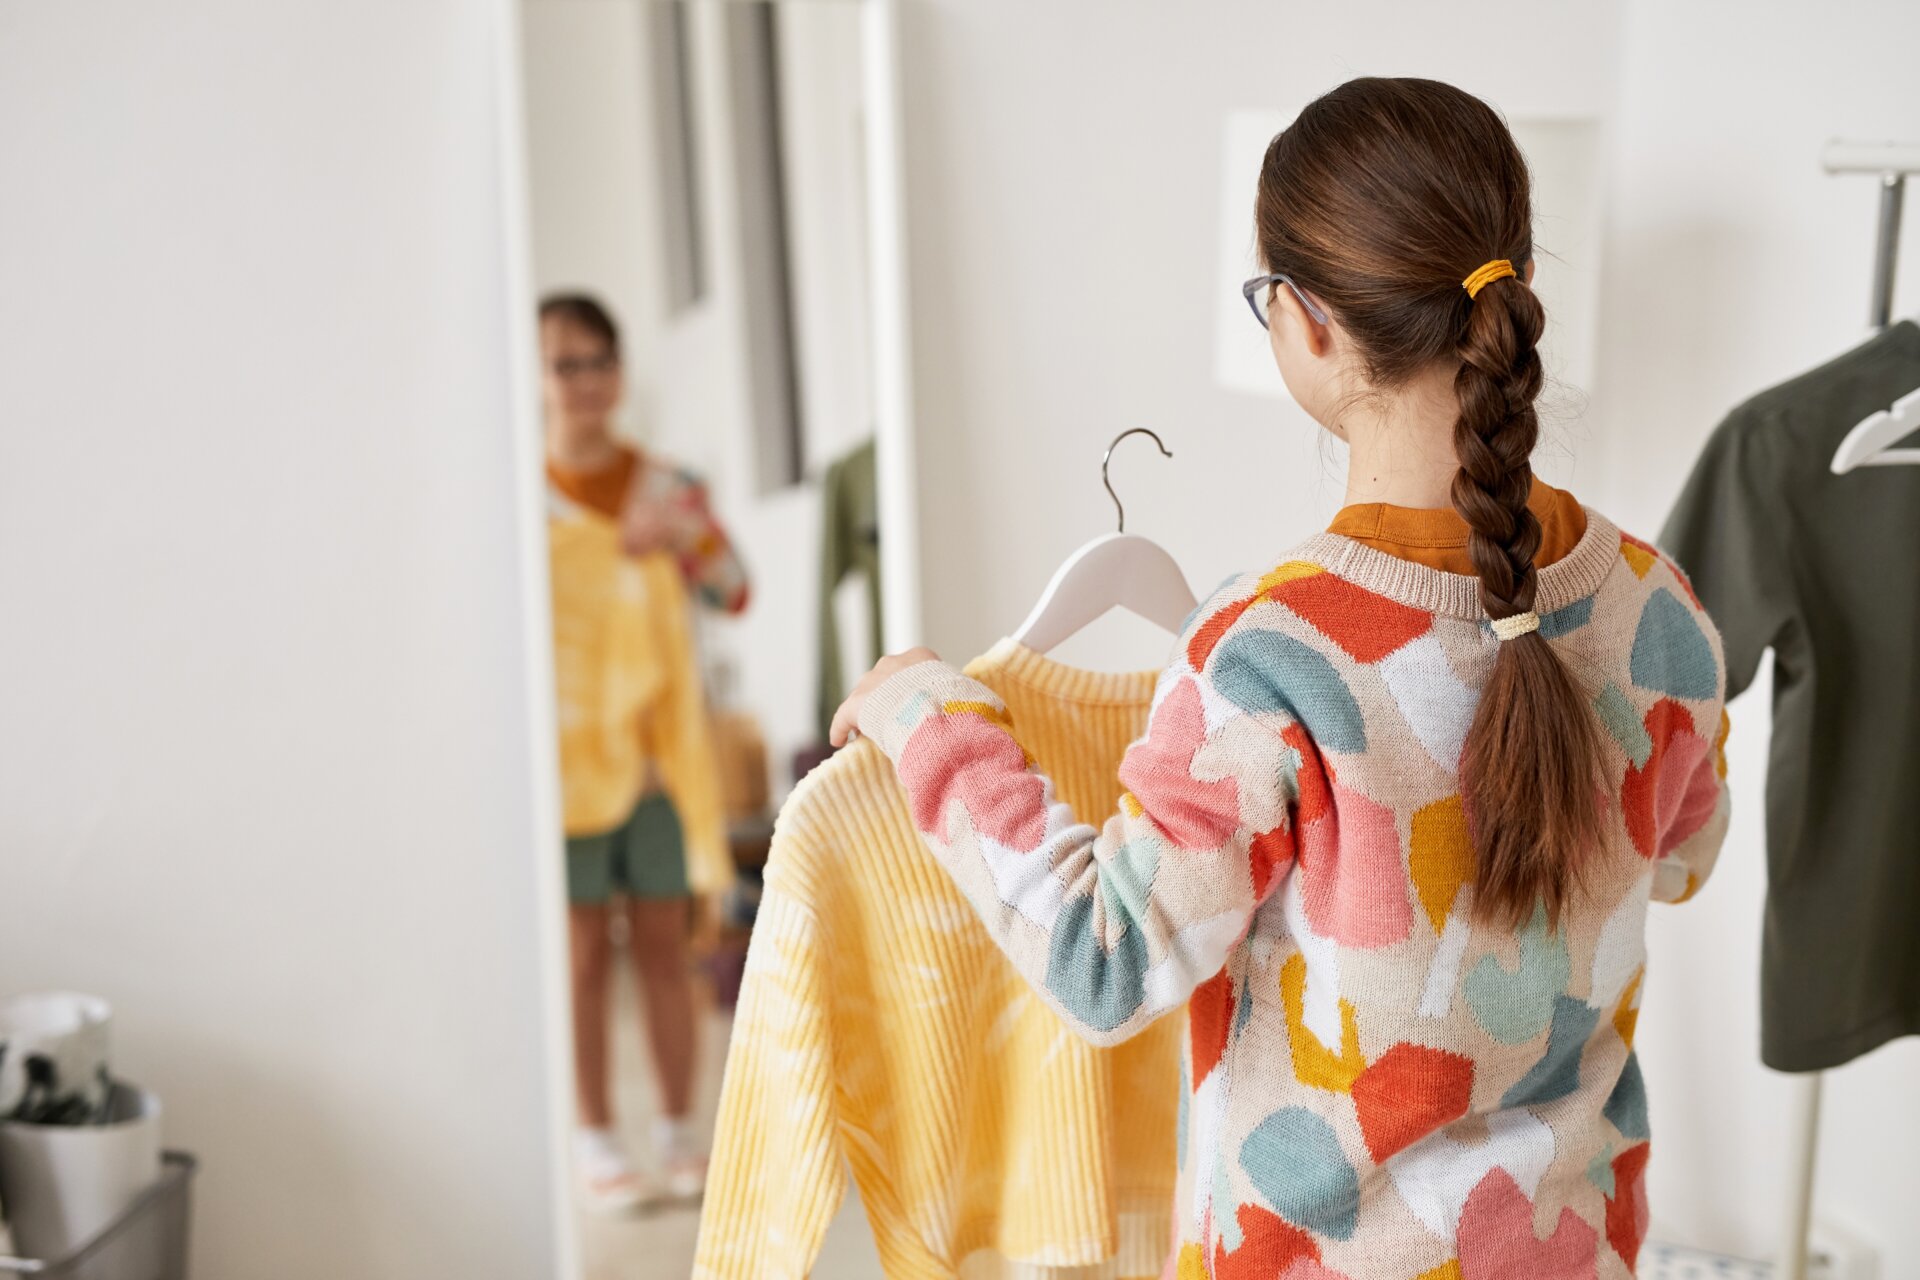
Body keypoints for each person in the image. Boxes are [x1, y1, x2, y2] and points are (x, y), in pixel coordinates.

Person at [831, 79, 1729, 1277]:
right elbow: (1682, 860)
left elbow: (1107, 964)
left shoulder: (1265, 657)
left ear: (1305, 323)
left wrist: (927, 720)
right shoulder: (1660, 605)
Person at [540, 292, 748, 1210]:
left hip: (664, 760)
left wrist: (685, 535)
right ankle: (593, 1137)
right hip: (563, 765)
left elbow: (734, 588)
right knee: (582, 952)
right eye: (562, 364)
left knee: (666, 946)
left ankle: (677, 1129)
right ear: (537, 377)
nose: (582, 382)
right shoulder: (522, 499)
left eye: (596, 361)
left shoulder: (667, 486)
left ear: (620, 372)